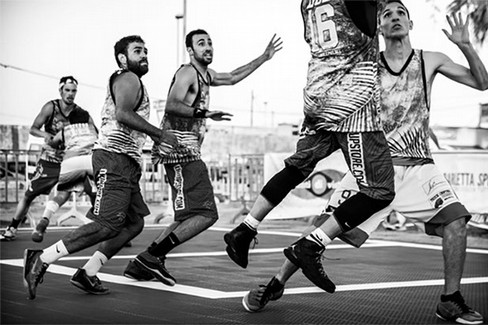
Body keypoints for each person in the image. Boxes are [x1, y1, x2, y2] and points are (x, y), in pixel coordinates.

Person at [242, 2, 487, 324]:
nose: (395, 17)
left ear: (411, 23)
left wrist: (466, 45)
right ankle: (275, 284)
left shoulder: (431, 59)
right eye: (387, 14)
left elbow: (481, 83)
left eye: (400, 13)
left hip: (417, 167)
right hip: (370, 168)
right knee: (319, 232)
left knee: (457, 223)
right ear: (378, 27)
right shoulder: (365, 65)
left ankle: (450, 300)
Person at [224, 0, 395, 292]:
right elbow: (366, 26)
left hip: (317, 94)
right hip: (351, 100)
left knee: (296, 167)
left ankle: (246, 227)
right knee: (380, 190)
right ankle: (312, 245)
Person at [122, 29, 283, 285]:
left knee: (186, 217)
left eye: (209, 43)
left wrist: (263, 58)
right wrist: (204, 113)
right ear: (190, 50)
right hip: (180, 150)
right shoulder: (188, 72)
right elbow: (172, 104)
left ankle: (145, 262)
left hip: (184, 150)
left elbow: (232, 77)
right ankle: (152, 256)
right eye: (201, 43)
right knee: (207, 214)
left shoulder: (206, 75)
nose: (207, 47)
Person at [23, 35, 177, 299]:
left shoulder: (132, 81)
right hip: (114, 159)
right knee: (107, 224)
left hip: (125, 161)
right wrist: (159, 135)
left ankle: (88, 272)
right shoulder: (128, 78)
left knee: (134, 223)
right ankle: (41, 258)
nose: (144, 55)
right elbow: (122, 114)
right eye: (137, 51)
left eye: (145, 51)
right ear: (122, 57)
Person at [0, 76, 86, 241]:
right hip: (49, 160)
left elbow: (89, 130)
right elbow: (33, 128)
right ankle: (12, 228)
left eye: (73, 91)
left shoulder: (79, 113)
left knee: (66, 193)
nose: (70, 94)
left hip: (68, 161)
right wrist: (45, 134)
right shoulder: (50, 107)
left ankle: (44, 221)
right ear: (61, 90)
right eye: (67, 90)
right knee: (29, 195)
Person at [31, 108, 99, 242]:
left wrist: (52, 140)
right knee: (95, 194)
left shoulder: (65, 130)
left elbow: (53, 143)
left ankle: (45, 219)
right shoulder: (93, 129)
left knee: (62, 195)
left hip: (71, 162)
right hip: (91, 161)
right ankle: (105, 226)